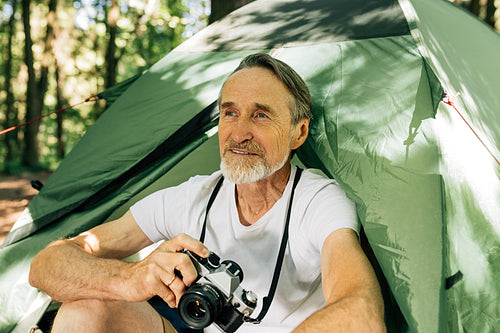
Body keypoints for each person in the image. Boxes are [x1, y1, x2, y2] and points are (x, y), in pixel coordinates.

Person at [29, 53, 385, 333]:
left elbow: (362, 313)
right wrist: (129, 278)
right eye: (230, 113)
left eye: (261, 116)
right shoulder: (194, 197)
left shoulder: (317, 201)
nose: (239, 132)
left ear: (298, 133)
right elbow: (45, 266)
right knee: (85, 308)